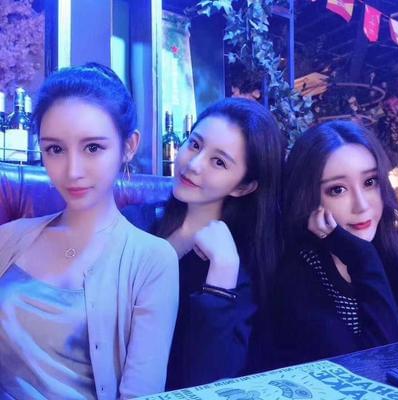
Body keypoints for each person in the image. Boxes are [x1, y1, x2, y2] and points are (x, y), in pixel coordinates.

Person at [0, 63, 179, 399]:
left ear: (129, 146)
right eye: (55, 149)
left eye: (93, 147)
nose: (73, 171)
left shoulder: (152, 261)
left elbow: (140, 393)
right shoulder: (8, 238)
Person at [154, 97, 285, 389]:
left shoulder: (242, 267)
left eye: (219, 162)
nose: (193, 164)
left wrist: (221, 277)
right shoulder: (137, 223)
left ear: (243, 187)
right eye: (195, 145)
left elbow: (209, 381)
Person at [274, 120, 398, 367]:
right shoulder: (298, 277)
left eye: (370, 182)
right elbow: (379, 367)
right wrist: (363, 257)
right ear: (308, 199)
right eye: (338, 190)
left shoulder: (392, 253)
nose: (362, 205)